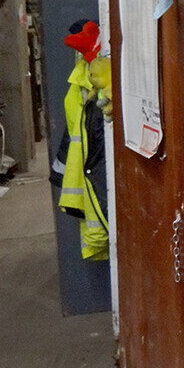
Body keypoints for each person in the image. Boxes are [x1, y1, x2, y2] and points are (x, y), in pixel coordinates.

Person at [49, 19, 112, 260]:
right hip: (88, 170)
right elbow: (75, 132)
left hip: (93, 169)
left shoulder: (87, 74)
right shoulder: (83, 74)